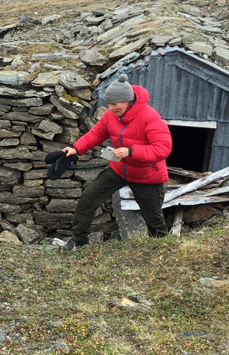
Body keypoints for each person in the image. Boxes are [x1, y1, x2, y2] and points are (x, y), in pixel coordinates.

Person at [61, 73, 172, 249]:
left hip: (147, 175)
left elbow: (163, 148)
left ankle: (160, 250)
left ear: (127, 100)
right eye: (108, 103)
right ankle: (79, 242)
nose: (110, 107)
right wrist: (76, 148)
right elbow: (96, 134)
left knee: (153, 218)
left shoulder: (150, 117)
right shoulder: (110, 116)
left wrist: (130, 151)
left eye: (114, 104)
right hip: (120, 169)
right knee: (88, 198)